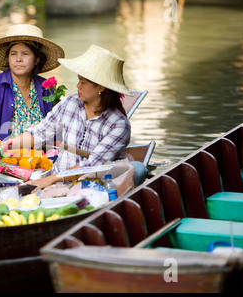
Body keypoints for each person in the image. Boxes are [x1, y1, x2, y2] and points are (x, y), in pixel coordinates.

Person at [10, 45, 147, 190]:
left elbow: (93, 164)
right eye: (78, 80)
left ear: (100, 87)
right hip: (56, 181)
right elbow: (40, 133)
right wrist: (3, 147)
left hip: (92, 187)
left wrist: (51, 179)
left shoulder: (118, 125)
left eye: (83, 82)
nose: (78, 86)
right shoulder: (71, 103)